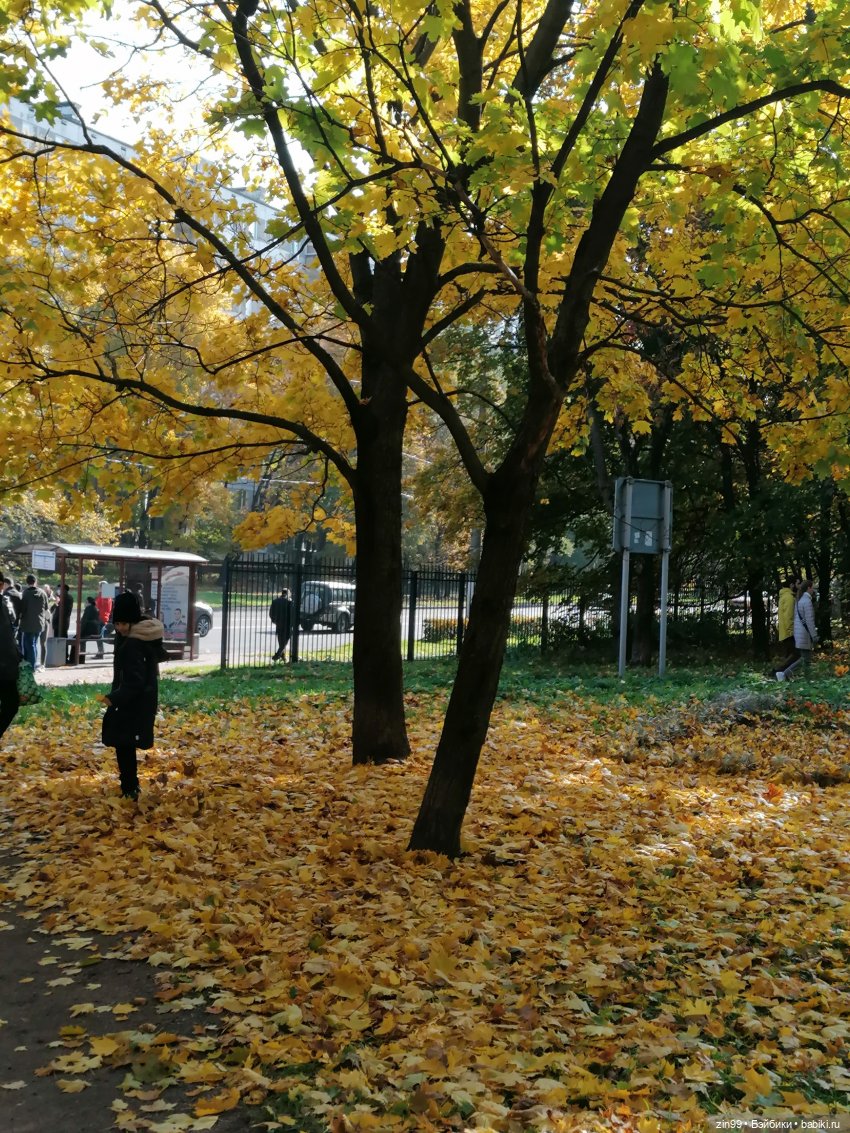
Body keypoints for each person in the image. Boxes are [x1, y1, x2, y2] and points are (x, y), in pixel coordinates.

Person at [98, 591, 168, 800]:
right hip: (138, 701)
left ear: (133, 620)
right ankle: (129, 785)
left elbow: (134, 681)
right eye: (117, 623)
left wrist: (113, 698)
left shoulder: (133, 644)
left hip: (132, 702)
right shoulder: (134, 637)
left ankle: (129, 787)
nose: (119, 628)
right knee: (124, 743)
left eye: (123, 623)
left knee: (124, 743)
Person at [777, 579, 818, 680]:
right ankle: (783, 674)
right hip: (802, 634)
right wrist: (814, 635)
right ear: (808, 588)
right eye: (812, 587)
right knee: (802, 658)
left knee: (803, 658)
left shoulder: (798, 600)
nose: (813, 590)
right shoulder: (804, 601)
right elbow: (809, 621)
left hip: (798, 633)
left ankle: (807, 678)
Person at [0, 590, 20, 740]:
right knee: (11, 704)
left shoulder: (3, 602)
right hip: (5, 666)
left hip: (6, 665)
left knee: (11, 704)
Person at [19, 574, 50, 669]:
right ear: (35, 581)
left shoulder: (26, 593)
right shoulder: (42, 593)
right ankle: (33, 664)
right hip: (40, 624)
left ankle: (31, 666)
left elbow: (22, 609)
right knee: (34, 643)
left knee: (30, 644)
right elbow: (46, 609)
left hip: (28, 625)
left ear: (27, 582)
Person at [775, 576, 798, 673]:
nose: (799, 586)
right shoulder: (789, 598)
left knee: (790, 654)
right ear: (792, 585)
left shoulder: (784, 596)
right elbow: (789, 616)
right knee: (796, 654)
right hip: (789, 631)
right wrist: (791, 631)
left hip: (784, 630)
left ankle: (782, 673)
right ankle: (778, 672)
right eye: (798, 583)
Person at [269, 587, 292, 661]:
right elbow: (292, 614)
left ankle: (283, 656)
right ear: (288, 594)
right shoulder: (289, 602)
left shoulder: (275, 601)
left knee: (281, 640)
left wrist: (275, 621)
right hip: (287, 624)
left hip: (278, 624)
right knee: (285, 641)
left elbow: (271, 613)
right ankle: (278, 654)